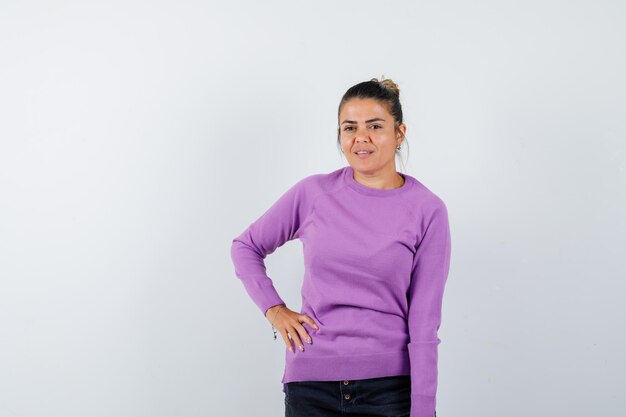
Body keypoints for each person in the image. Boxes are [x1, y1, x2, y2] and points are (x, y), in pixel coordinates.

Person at [230, 77, 451, 417]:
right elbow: (246, 247)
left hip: (388, 389)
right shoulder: (313, 194)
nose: (361, 138)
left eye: (375, 126)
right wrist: (275, 310)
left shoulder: (427, 210)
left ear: (399, 133)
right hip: (311, 388)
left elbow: (425, 322)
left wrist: (424, 410)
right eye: (349, 128)